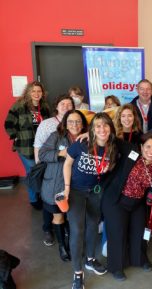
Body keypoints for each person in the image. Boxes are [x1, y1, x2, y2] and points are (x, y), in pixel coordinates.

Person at [63, 112, 115, 289]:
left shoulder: (113, 147)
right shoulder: (82, 143)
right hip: (76, 191)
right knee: (77, 230)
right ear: (92, 129)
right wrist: (67, 187)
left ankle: (90, 260)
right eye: (97, 125)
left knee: (93, 226)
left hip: (95, 192)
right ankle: (78, 273)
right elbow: (67, 164)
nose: (102, 129)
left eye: (105, 125)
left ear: (110, 128)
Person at [102, 132, 152, 281]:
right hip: (117, 201)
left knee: (139, 232)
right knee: (117, 234)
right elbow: (111, 137)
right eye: (148, 146)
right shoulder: (132, 152)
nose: (151, 151)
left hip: (138, 203)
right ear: (141, 147)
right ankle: (116, 267)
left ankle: (139, 259)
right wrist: (88, 134)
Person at [39, 110, 88, 262]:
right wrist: (61, 153)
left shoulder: (87, 138)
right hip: (56, 184)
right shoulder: (56, 136)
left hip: (79, 186)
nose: (75, 125)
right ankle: (62, 246)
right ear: (65, 124)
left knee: (75, 218)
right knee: (58, 216)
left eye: (78, 121)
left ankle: (75, 245)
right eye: (71, 121)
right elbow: (42, 154)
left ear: (83, 124)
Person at [34, 94, 75, 247]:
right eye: (62, 103)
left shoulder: (78, 126)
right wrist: (41, 167)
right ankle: (48, 230)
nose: (66, 106)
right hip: (52, 169)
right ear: (56, 107)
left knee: (67, 207)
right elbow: (39, 147)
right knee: (51, 204)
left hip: (71, 175)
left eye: (69, 104)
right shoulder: (47, 125)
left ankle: (66, 232)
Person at [4, 81, 50, 209]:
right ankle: (33, 199)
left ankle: (42, 196)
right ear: (28, 92)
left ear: (42, 93)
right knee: (32, 173)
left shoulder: (45, 107)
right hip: (25, 147)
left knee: (42, 172)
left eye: (39, 91)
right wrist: (15, 136)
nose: (36, 94)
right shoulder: (19, 106)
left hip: (42, 146)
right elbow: (8, 124)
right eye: (33, 91)